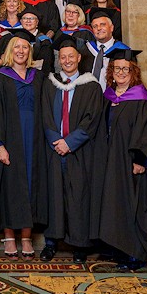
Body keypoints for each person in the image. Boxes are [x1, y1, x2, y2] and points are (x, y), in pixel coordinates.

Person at [92, 48, 147, 270]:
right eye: (117, 68)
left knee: (133, 205)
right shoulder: (108, 96)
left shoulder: (142, 99)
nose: (121, 72)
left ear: (133, 71)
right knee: (114, 204)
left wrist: (140, 161)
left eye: (126, 69)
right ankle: (117, 248)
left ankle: (134, 253)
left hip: (130, 163)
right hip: (111, 162)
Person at [0, 31, 47, 260]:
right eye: (16, 47)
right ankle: (9, 237)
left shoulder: (38, 77)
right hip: (9, 139)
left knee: (31, 185)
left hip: (35, 140)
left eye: (25, 48)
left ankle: (26, 237)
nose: (21, 51)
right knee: (9, 187)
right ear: (10, 51)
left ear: (30, 52)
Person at [40, 34, 103, 263]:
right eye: (63, 57)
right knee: (54, 195)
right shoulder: (50, 83)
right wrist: (56, 140)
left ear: (78, 58)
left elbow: (92, 119)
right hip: (54, 149)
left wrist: (70, 142)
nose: (67, 61)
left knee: (78, 196)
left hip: (79, 151)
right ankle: (51, 243)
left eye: (71, 56)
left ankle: (79, 245)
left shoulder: (91, 85)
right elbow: (45, 114)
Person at [81, 9, 129, 91]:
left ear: (111, 28)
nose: (99, 28)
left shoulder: (123, 51)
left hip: (114, 99)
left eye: (102, 25)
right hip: (89, 99)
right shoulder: (85, 50)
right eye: (95, 26)